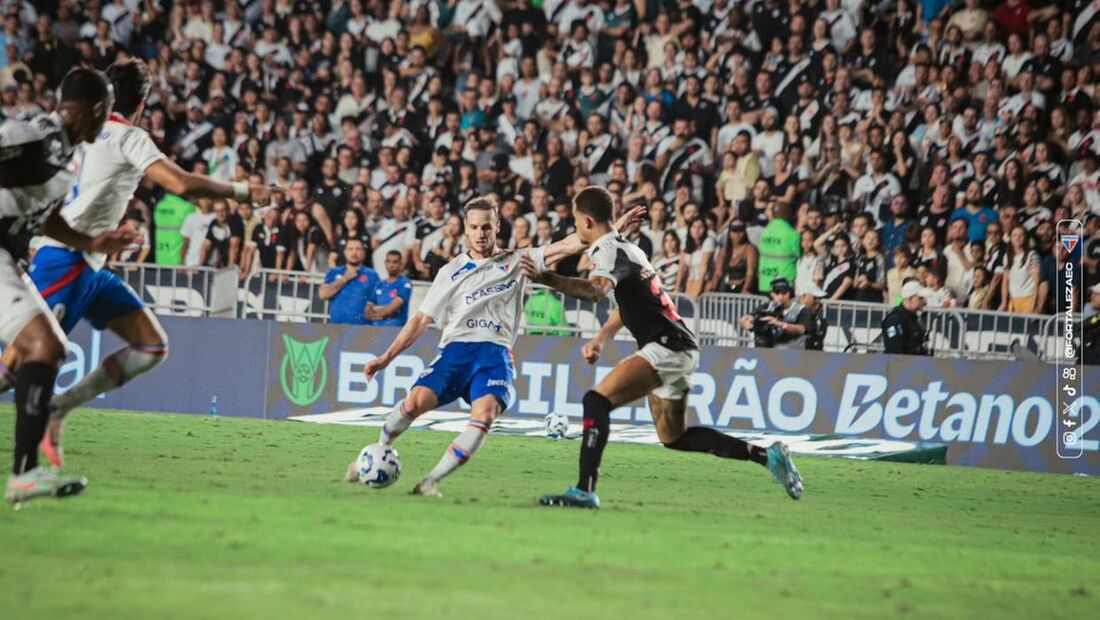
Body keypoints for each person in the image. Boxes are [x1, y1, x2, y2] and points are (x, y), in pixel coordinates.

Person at [0, 60, 277, 472]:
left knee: (151, 345)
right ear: (142, 104)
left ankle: (59, 408)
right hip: (64, 261)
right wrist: (244, 192)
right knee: (15, 365)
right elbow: (180, 183)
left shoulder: (78, 136)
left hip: (89, 262)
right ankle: (28, 464)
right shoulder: (128, 136)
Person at [523, 187, 802, 510]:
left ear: (586, 221)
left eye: (575, 221)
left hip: (666, 347)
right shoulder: (628, 248)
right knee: (674, 437)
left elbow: (595, 292)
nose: (575, 227)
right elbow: (628, 303)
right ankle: (768, 456)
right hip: (681, 346)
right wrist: (601, 338)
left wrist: (546, 278)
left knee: (595, 401)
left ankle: (585, 490)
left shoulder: (608, 252)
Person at [352, 197, 642, 497]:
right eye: (475, 227)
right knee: (414, 403)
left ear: (497, 227)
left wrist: (611, 230)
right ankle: (378, 449)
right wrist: (386, 357)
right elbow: (420, 320)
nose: (481, 234)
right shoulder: (450, 271)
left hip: (494, 354)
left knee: (485, 415)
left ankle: (430, 481)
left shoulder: (517, 260)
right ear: (466, 229)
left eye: (486, 227)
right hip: (456, 351)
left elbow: (571, 244)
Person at [0, 68, 138, 504]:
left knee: (46, 348)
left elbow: (49, 220)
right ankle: (24, 474)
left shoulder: (69, 155)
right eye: (108, 110)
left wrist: (93, 242)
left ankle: (25, 475)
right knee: (45, 346)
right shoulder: (35, 136)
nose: (110, 118)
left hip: (11, 258)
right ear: (95, 110)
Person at [737, 278, 817, 349]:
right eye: (777, 293)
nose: (781, 297)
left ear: (789, 293)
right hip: (769, 350)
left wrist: (779, 324)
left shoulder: (801, 310)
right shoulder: (766, 307)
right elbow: (747, 319)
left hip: (793, 351)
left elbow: (801, 329)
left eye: (784, 293)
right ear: (772, 294)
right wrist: (746, 321)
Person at [319, 238, 379, 326]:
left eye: (358, 249)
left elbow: (378, 302)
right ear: (345, 252)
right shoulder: (334, 272)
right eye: (350, 249)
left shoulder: (372, 275)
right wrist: (344, 279)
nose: (354, 253)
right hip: (337, 328)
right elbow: (323, 294)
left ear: (364, 253)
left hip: (363, 329)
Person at [756, 202, 801, 293]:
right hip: (783, 286)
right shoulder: (792, 234)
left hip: (764, 281)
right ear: (788, 214)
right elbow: (800, 254)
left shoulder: (765, 232)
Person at [882, 281, 930, 355]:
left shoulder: (913, 318)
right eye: (920, 298)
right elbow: (894, 349)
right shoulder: (894, 320)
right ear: (909, 299)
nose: (924, 301)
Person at [367, 250, 413, 327]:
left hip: (395, 329)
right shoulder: (379, 285)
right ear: (385, 263)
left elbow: (391, 308)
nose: (391, 265)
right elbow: (367, 311)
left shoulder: (405, 284)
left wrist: (376, 311)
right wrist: (387, 313)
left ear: (401, 264)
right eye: (388, 261)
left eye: (395, 262)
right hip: (376, 329)